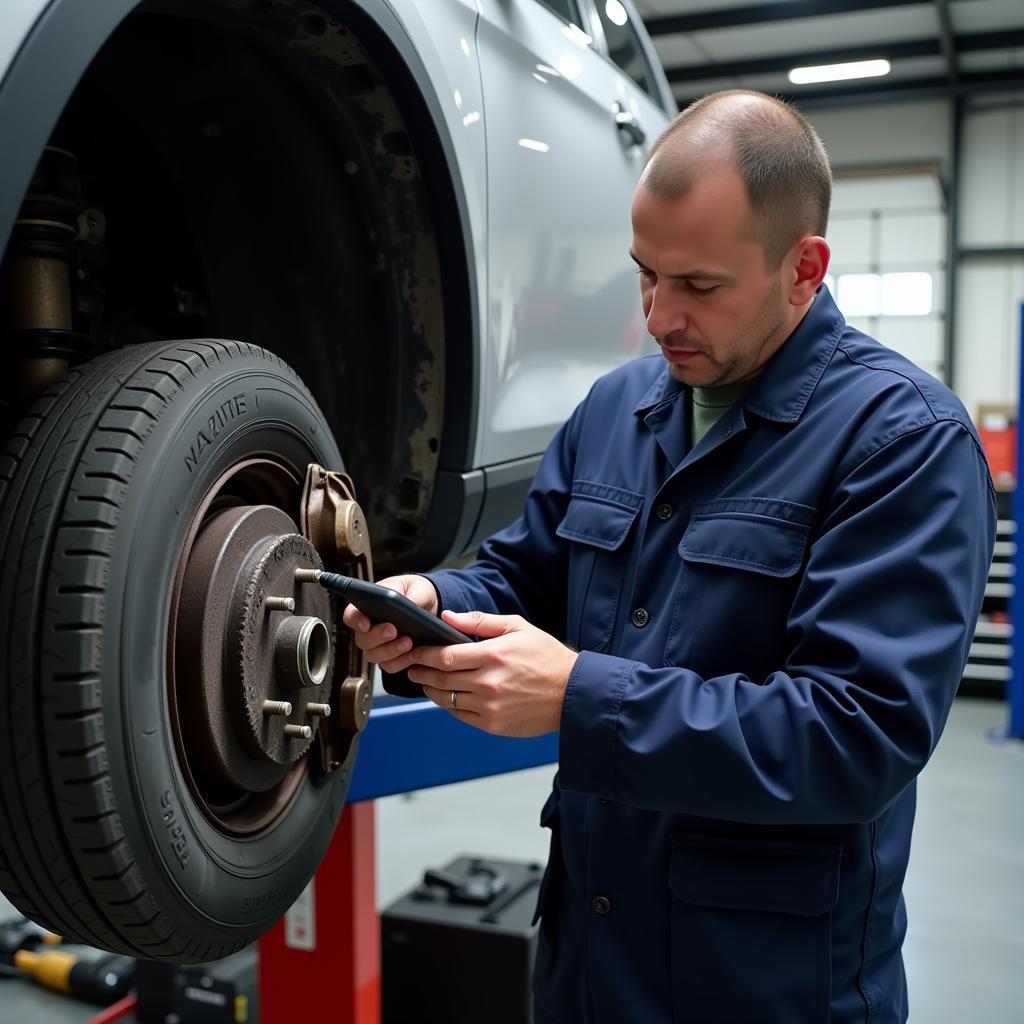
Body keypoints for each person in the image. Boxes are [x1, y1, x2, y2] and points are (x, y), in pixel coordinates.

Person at [343, 90, 996, 1023]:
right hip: (587, 969)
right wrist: (429, 602)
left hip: (759, 988)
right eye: (645, 274)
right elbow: (526, 576)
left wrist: (579, 699)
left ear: (802, 269)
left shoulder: (902, 443)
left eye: (699, 286)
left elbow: (859, 734)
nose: (658, 316)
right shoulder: (618, 408)